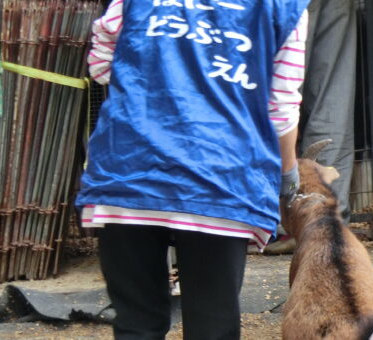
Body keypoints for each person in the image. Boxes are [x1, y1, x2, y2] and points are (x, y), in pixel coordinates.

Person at [76, 1, 310, 339]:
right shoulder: (284, 6)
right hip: (221, 176)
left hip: (131, 170)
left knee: (136, 325)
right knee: (212, 328)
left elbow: (100, 64)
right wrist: (287, 174)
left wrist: (161, 78)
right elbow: (281, 108)